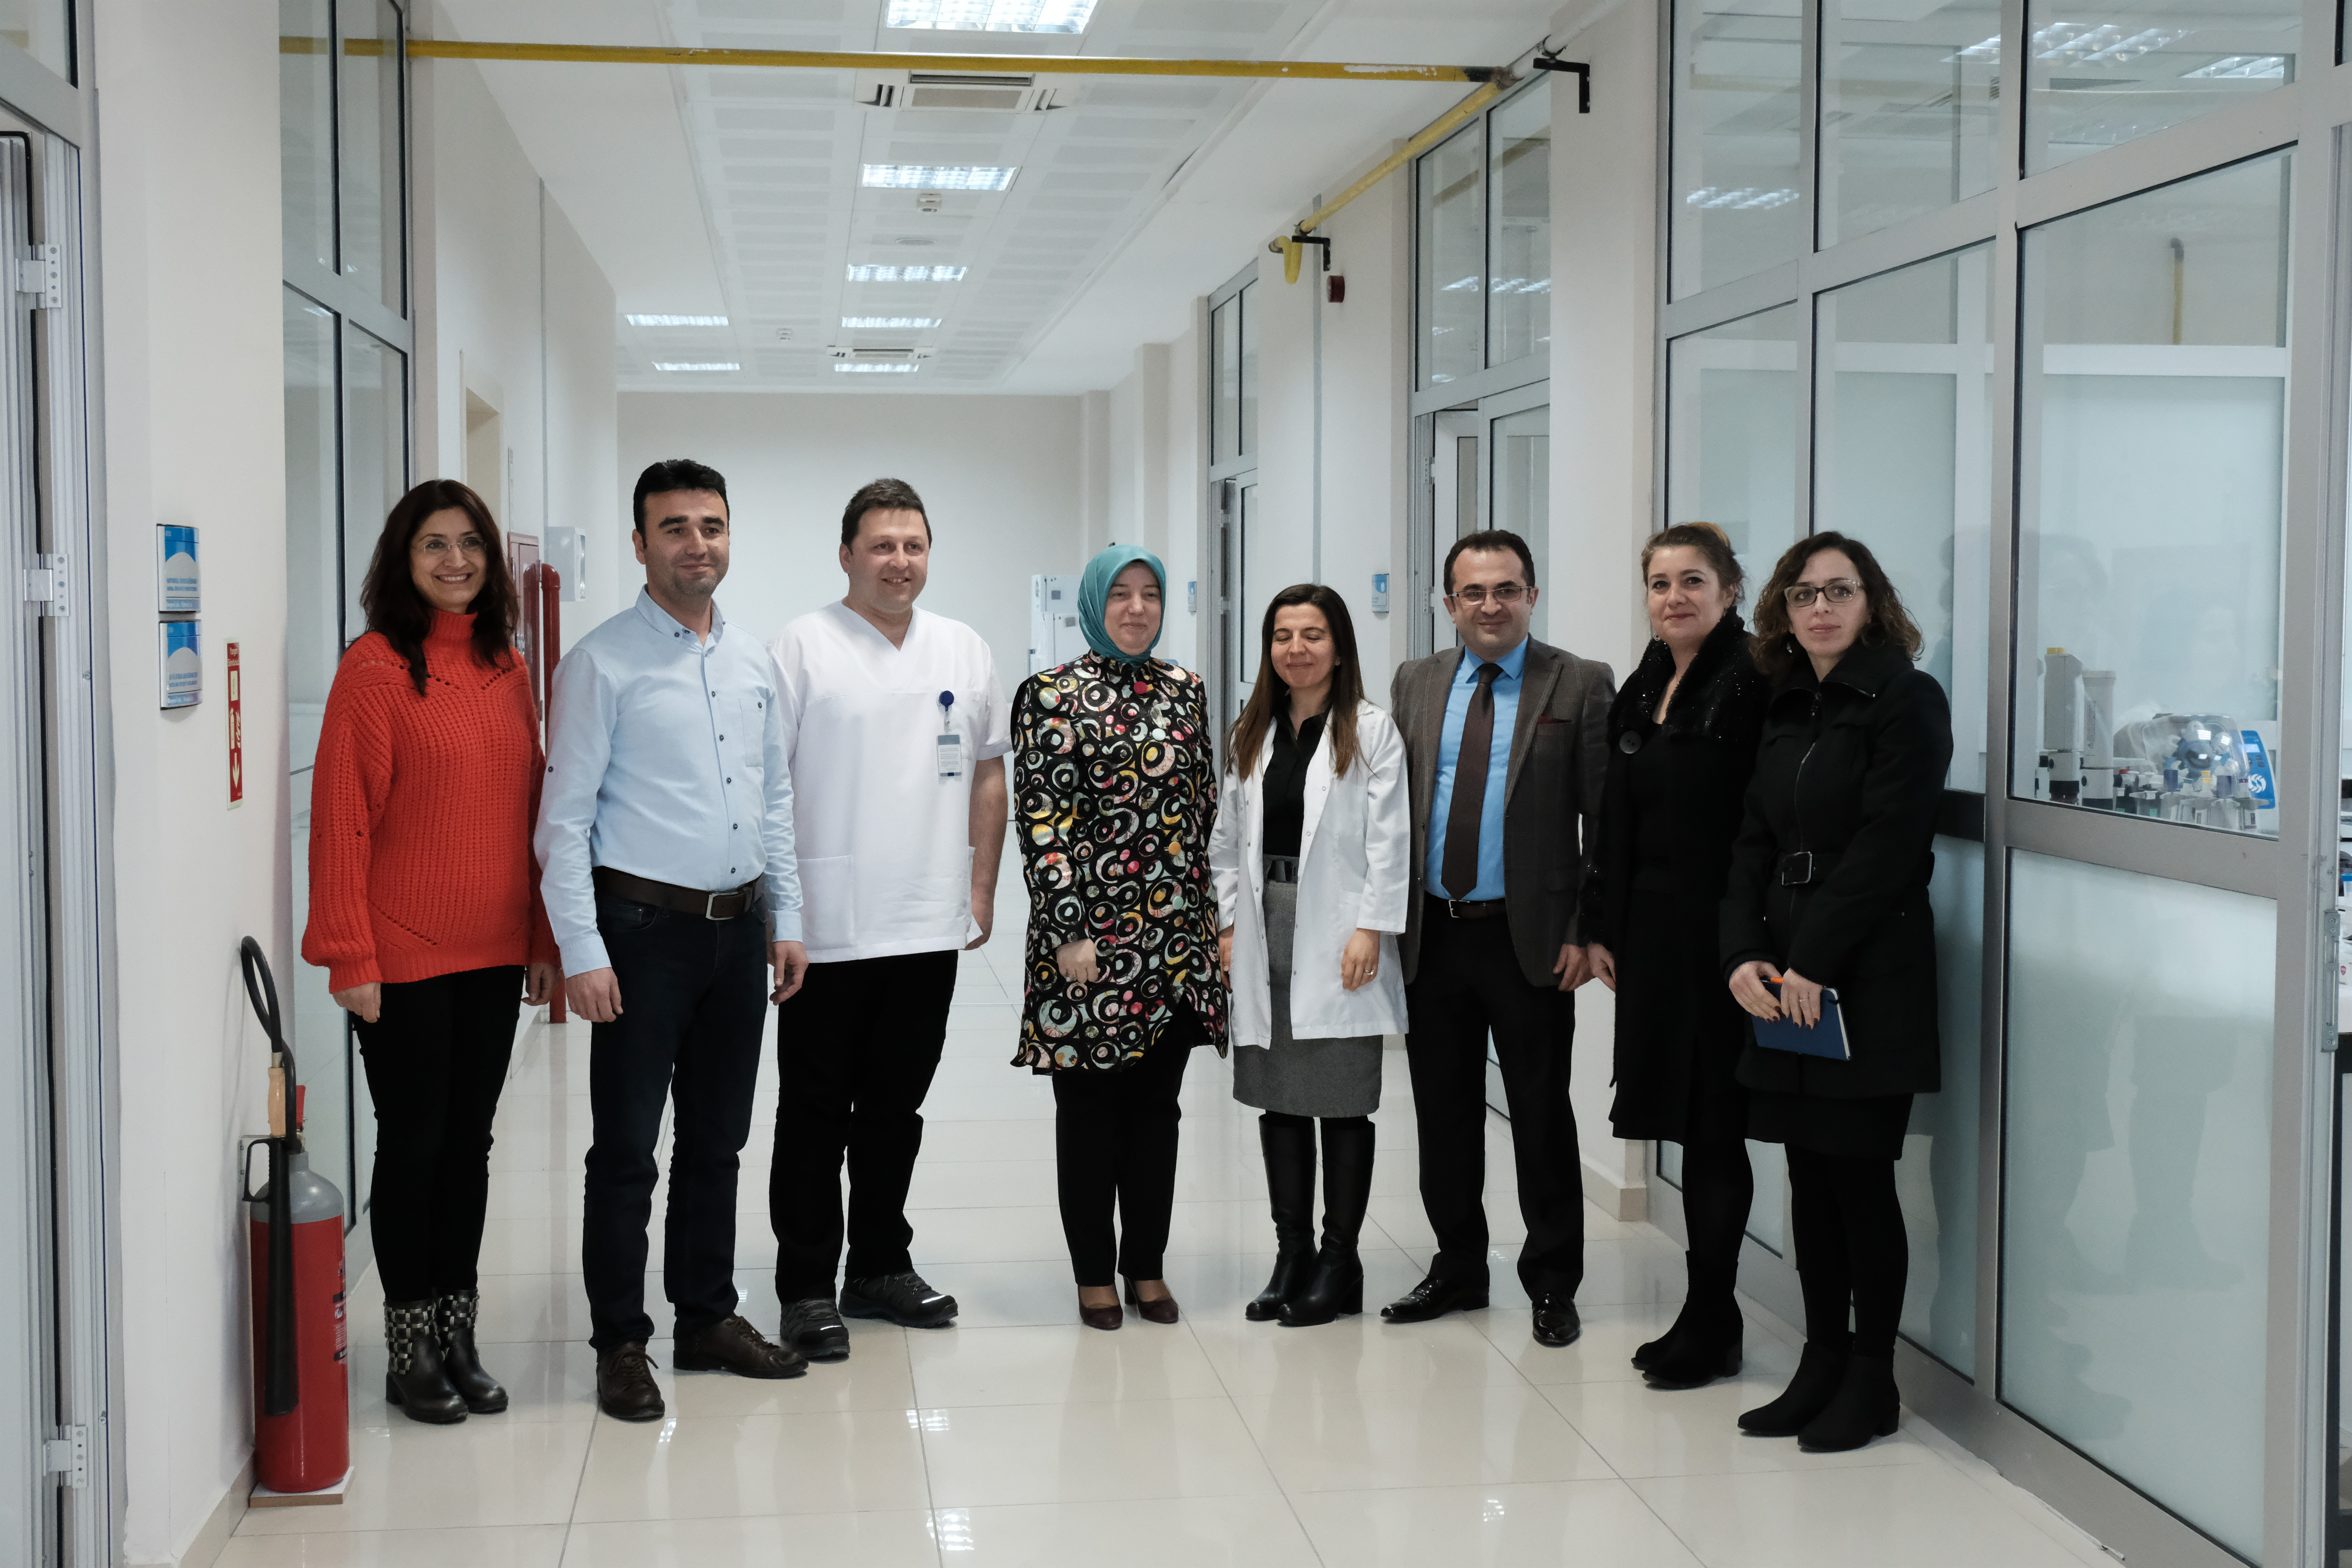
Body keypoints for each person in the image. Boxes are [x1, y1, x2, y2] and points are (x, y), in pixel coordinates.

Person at [537, 458, 813, 1421]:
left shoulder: (754, 661)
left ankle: (706, 1316)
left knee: (718, 1140)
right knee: (626, 1150)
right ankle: (621, 1341)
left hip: (740, 932)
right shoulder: (601, 663)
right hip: (642, 934)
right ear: (640, 542)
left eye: (712, 525)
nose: (698, 543)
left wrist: (787, 918)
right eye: (676, 527)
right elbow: (563, 821)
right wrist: (582, 949)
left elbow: (775, 799)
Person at [302, 479, 560, 1425]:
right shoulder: (373, 668)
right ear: (402, 562)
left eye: (471, 544)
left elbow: (530, 812)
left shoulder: (506, 666)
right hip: (402, 958)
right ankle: (409, 1346)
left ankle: (458, 1333)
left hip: (493, 951)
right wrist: (348, 953)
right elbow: (342, 818)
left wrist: (541, 937)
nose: (457, 561)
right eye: (434, 545)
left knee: (469, 1146)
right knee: (415, 1144)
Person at [766, 478, 1007, 1360]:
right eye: (881, 545)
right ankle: (805, 1285)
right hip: (829, 927)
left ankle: (877, 1265)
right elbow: (769, 787)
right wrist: (782, 911)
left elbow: (989, 773)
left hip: (926, 920)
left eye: (913, 545)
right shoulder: (801, 646)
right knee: (814, 1113)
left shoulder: (964, 647)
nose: (899, 561)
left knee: (896, 1110)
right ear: (847, 555)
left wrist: (980, 887)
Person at [1721, 531, 1950, 1453]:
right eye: (1804, 594)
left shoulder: (1905, 697)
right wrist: (1743, 953)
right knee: (1807, 1173)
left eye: (1839, 591)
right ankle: (1820, 1360)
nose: (1821, 608)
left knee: (1859, 1176)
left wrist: (1814, 961)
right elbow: (1752, 840)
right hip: (1783, 973)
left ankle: (1872, 1376)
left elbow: (1890, 846)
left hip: (1867, 973)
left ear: (1872, 602)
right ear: (1783, 609)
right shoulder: (1787, 704)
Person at [1384, 529, 1613, 1348]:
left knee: (1541, 1115)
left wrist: (1589, 929)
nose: (1491, 605)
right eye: (1474, 592)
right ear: (1450, 604)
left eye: (1507, 589)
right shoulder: (1415, 681)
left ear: (1532, 596)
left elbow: (1605, 820)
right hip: (1433, 935)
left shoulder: (1578, 681)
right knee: (1443, 1114)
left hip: (1533, 939)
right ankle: (1459, 1267)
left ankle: (1553, 1281)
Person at [1010, 545, 1225, 1330]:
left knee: (1157, 1114)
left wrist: (1212, 923)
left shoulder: (1185, 689)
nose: (1137, 608)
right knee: (1091, 1116)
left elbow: (1205, 811)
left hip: (1175, 942)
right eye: (1121, 594)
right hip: (1091, 949)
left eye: (1150, 594)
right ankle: (1094, 1274)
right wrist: (1069, 931)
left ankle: (1147, 1265)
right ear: (1094, 604)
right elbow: (1045, 822)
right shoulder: (1051, 695)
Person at [1581, 523, 1770, 1389]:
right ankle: (1705, 1310)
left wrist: (1747, 937)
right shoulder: (1649, 679)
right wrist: (1603, 926)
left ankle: (1715, 1315)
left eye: (1693, 581)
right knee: (1688, 1120)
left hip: (1720, 932)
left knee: (1716, 1122)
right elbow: (1614, 816)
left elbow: (1759, 824)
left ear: (1730, 590)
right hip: (1653, 930)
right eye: (1660, 584)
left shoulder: (1753, 680)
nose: (1674, 597)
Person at [1210, 584, 1408, 1327]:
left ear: (1340, 647)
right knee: (1280, 1097)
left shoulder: (1370, 730)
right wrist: (1229, 924)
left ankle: (1339, 1261)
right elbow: (1227, 841)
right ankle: (1291, 1254)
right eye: (1283, 636)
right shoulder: (1252, 731)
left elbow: (1391, 838)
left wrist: (1371, 929)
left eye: (1313, 635)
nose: (1296, 649)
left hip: (1340, 932)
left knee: (1343, 1098)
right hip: (1267, 922)